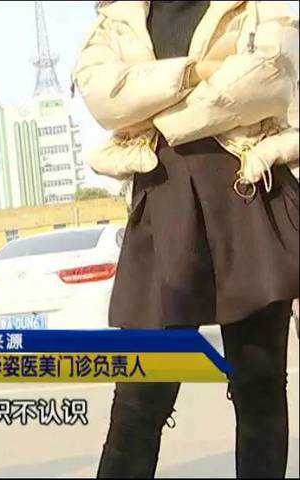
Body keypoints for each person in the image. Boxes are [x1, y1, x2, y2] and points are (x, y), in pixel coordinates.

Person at [74, 1, 299, 478]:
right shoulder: (117, 18)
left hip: (247, 194)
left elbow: (266, 83)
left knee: (259, 388)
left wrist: (155, 115)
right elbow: (106, 100)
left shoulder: (256, 6)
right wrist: (200, 70)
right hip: (163, 203)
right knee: (139, 398)